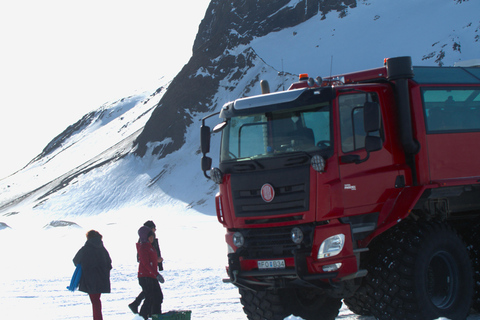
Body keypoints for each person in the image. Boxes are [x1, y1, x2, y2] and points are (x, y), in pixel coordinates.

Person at [73, 230, 112, 320]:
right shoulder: (103, 249)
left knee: (95, 301)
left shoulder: (85, 248)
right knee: (96, 300)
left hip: (89, 279)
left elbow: (75, 261)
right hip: (101, 278)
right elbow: (109, 263)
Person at [129, 221, 164, 314]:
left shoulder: (149, 245)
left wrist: (157, 263)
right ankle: (143, 315)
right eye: (153, 228)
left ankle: (155, 315)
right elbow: (145, 262)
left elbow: (150, 259)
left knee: (156, 297)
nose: (153, 237)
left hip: (151, 274)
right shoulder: (144, 246)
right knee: (150, 297)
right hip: (147, 275)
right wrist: (156, 274)